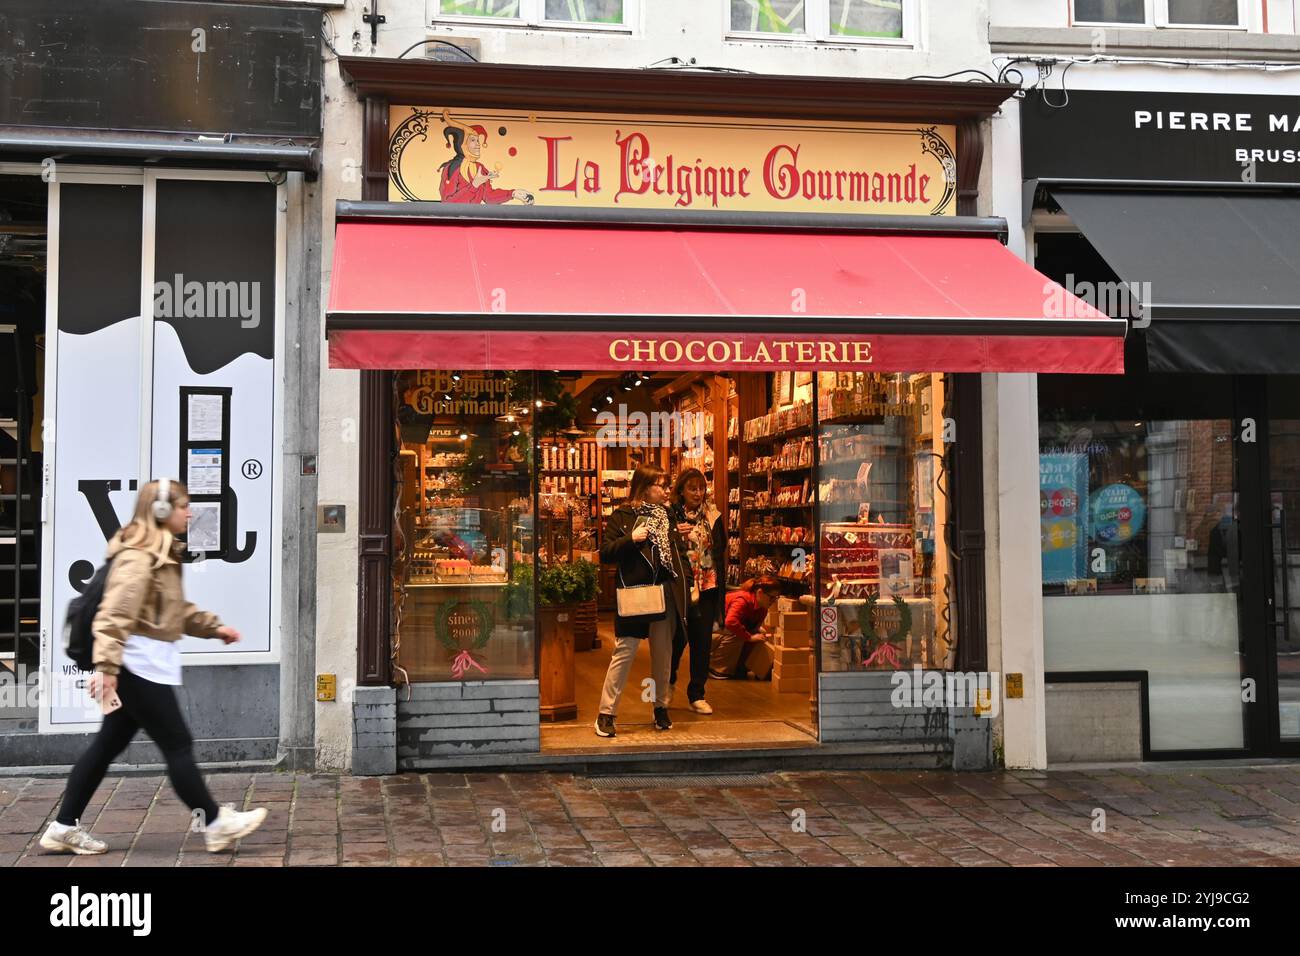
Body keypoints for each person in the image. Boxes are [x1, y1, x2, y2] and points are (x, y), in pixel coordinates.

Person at [40, 479, 268, 856]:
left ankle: (63, 827)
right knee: (177, 744)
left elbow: (173, 611)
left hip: (143, 664)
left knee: (106, 745)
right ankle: (215, 824)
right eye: (183, 506)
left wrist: (214, 628)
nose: (189, 513)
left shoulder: (159, 552)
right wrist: (107, 669)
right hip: (137, 665)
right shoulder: (139, 557)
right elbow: (113, 617)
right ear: (161, 511)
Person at [596, 464, 692, 737]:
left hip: (665, 593)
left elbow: (678, 555)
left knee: (663, 656)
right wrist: (632, 539)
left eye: (667, 485)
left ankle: (660, 708)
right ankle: (606, 713)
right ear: (644, 487)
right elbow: (606, 553)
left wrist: (687, 583)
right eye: (661, 485)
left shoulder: (668, 515)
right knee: (624, 652)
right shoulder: (623, 515)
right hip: (635, 593)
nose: (666, 491)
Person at [668, 468, 726, 714]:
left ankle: (697, 694)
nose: (698, 493)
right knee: (676, 641)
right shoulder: (670, 514)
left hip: (707, 586)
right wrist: (676, 534)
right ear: (681, 490)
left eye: (701, 488)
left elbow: (721, 547)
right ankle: (667, 685)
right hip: (680, 585)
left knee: (702, 643)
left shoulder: (712, 515)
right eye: (692, 488)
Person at [710, 575, 781, 680]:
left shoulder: (762, 608)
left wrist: (756, 634)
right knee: (738, 635)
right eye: (771, 597)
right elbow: (730, 622)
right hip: (709, 634)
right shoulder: (743, 600)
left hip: (722, 632)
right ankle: (715, 668)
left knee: (758, 635)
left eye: (776, 598)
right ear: (760, 592)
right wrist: (749, 637)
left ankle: (739, 666)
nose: (773, 601)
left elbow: (751, 628)